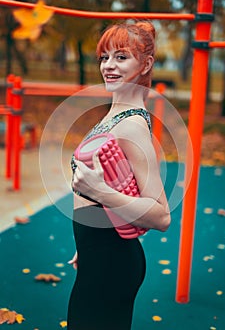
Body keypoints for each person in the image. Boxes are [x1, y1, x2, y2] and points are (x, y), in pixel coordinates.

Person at [67, 21, 171, 330]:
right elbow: (116, 181)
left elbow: (161, 215)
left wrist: (98, 191)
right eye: (104, 57)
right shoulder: (115, 114)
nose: (109, 66)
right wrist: (88, 243)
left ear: (145, 64)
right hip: (98, 253)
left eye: (121, 57)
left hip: (112, 262)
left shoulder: (131, 126)